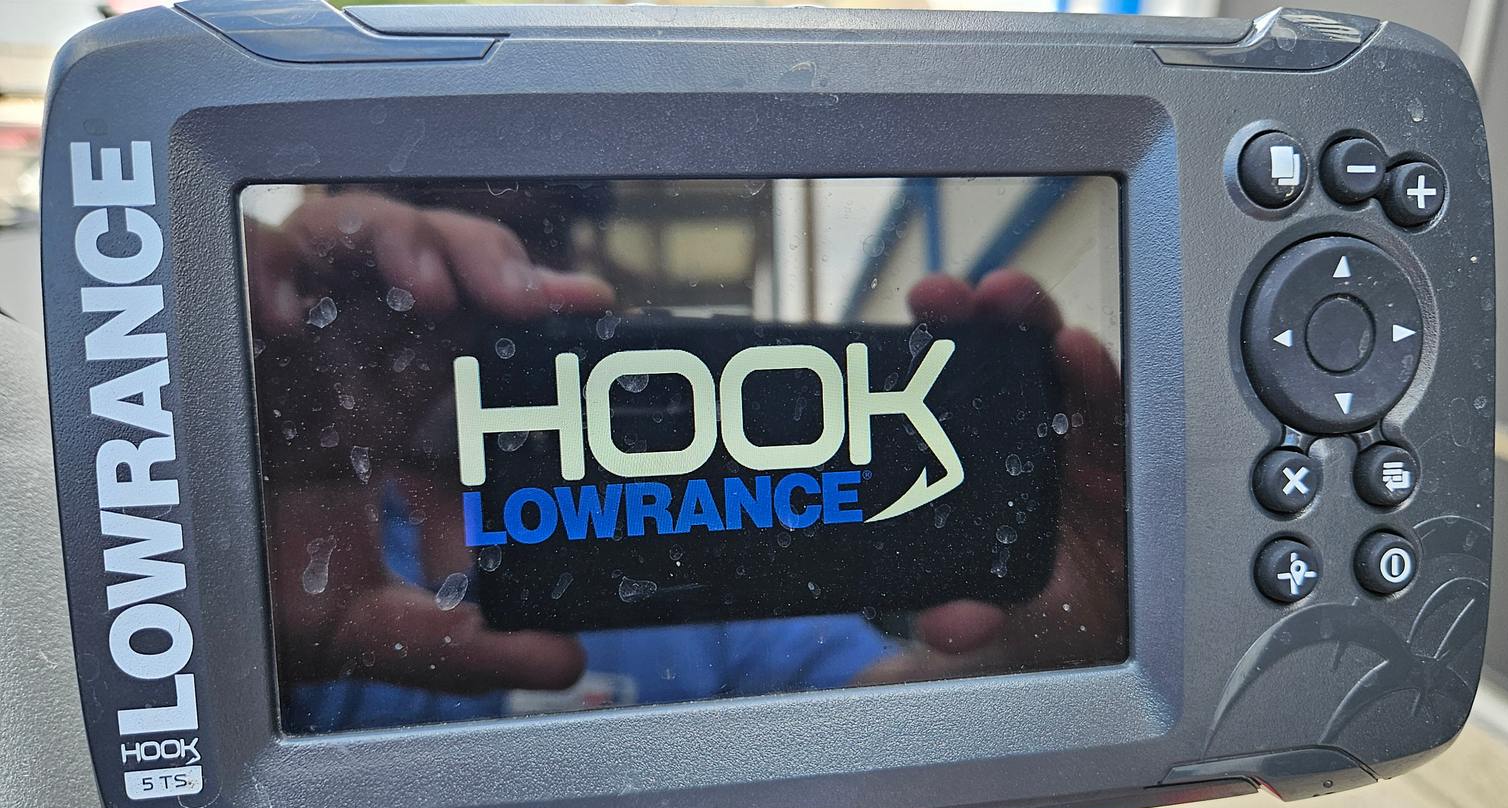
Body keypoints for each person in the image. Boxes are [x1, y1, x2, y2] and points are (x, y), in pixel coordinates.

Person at [244, 185, 1124, 733]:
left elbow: (874, 712)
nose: (480, 292)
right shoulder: (277, 553)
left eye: (534, 234)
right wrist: (210, 612)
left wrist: (1040, 655)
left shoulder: (694, 532)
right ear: (341, 289)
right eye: (428, 243)